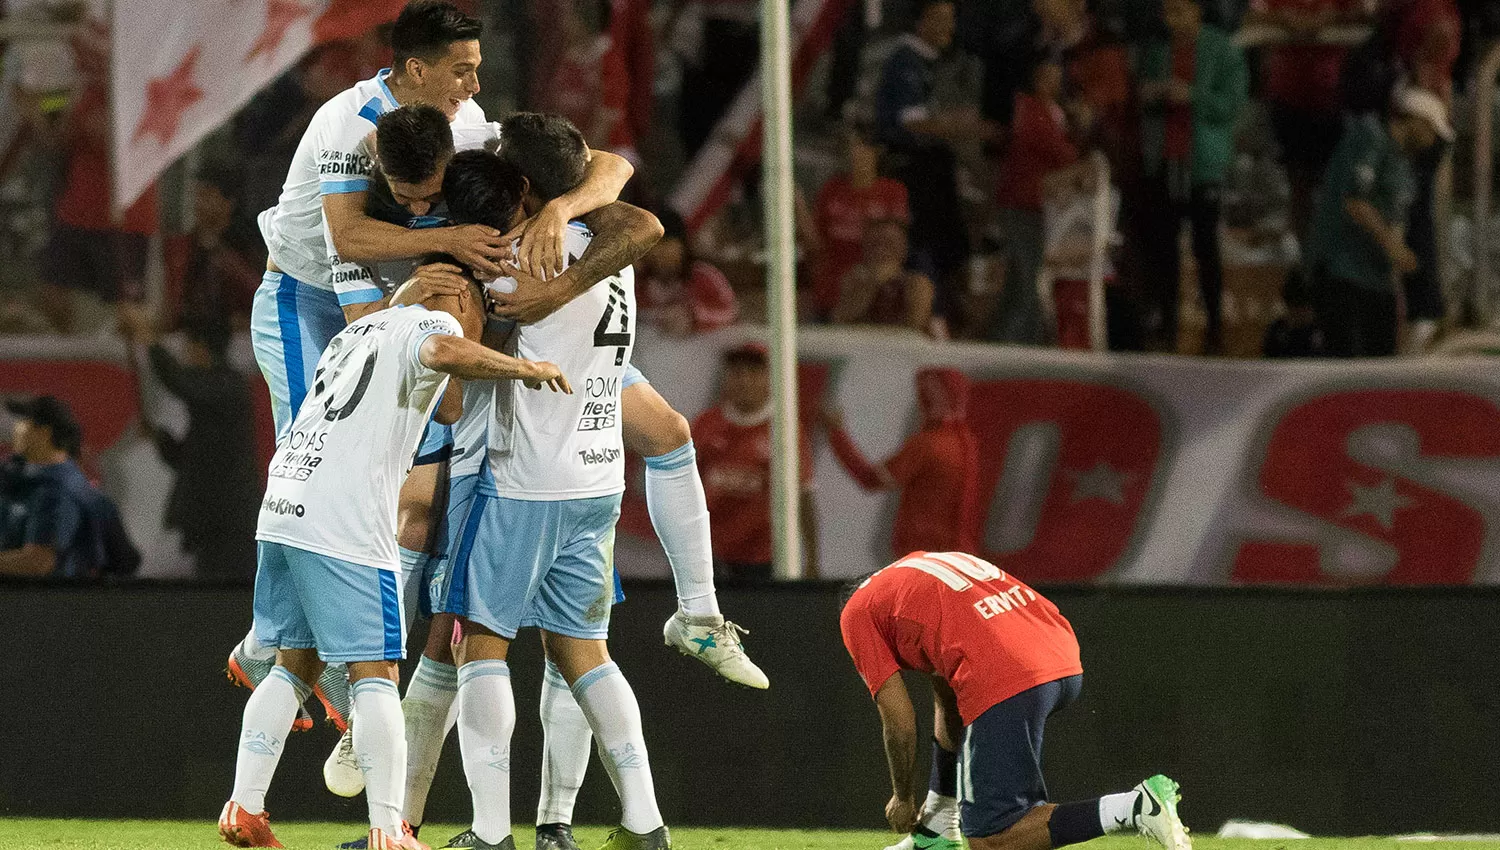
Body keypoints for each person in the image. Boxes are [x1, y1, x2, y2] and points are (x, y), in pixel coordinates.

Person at [234, 0, 635, 740]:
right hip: (312, 297)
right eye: (462, 69)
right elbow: (348, 236)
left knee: (403, 483)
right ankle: (268, 642)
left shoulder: (472, 120)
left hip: (397, 299)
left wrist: (558, 211)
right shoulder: (347, 122)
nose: (475, 82)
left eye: (477, 68)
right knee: (313, 473)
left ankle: (352, 660)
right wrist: (452, 241)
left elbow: (614, 166)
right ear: (415, 70)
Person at [218, 259, 568, 850]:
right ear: (447, 293)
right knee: (376, 674)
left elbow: (448, 405)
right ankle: (389, 830)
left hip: (285, 503)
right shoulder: (427, 329)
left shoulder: (358, 331)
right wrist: (521, 367)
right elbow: (439, 355)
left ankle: (244, 808)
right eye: (476, 304)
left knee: (294, 662)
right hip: (346, 520)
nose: (478, 318)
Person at [436, 138, 671, 850]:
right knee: (586, 654)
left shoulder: (517, 260)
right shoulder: (608, 245)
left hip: (524, 478)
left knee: (477, 647)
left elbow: (458, 364)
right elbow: (634, 211)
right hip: (600, 476)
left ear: (526, 184)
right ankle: (644, 820)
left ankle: (486, 833)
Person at [840, 551, 1192, 850]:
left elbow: (900, 725)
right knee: (999, 822)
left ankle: (1134, 806)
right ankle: (936, 832)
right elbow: (947, 703)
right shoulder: (915, 575)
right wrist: (939, 812)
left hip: (1005, 670)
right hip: (1059, 654)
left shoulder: (857, 613)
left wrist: (903, 798)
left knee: (993, 837)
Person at [1136, 0, 1247, 354]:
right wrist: (1151, 94)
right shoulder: (1157, 51)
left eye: (1180, 11)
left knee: (1205, 245)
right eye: (1168, 12)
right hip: (1165, 159)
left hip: (1202, 162)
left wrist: (1192, 95)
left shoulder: (1222, 51)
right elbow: (1140, 95)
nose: (1173, 20)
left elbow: (1231, 104)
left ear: (1196, 11)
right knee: (1163, 245)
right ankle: (1167, 317)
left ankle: (1214, 320)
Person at [118, 306, 259, 580]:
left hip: (228, 525)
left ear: (200, 347)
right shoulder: (217, 393)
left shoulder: (227, 386)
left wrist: (148, 338)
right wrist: (158, 437)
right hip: (207, 527)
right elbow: (189, 459)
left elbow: (180, 382)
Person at [1306, 87, 1450, 358]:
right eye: (1431, 131)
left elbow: (1396, 216)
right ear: (1417, 121)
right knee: (1347, 366)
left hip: (1377, 281)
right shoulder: (1369, 138)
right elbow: (1355, 202)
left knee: (1380, 367)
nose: (1432, 142)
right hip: (1343, 272)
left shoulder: (1403, 165)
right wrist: (1393, 247)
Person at [874, 0, 994, 320]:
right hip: (914, 170)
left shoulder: (932, 63)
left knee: (952, 245)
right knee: (924, 246)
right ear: (920, 22)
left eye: (951, 20)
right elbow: (912, 122)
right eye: (941, 19)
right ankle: (928, 315)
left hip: (933, 168)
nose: (950, 28)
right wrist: (971, 127)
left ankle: (944, 312)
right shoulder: (905, 63)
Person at [692, 343, 818, 581]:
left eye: (753, 373)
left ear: (769, 379)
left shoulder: (785, 430)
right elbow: (685, 490)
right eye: (737, 373)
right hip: (710, 555)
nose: (744, 381)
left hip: (765, 556)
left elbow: (804, 494)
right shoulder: (705, 424)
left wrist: (811, 558)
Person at [822, 369, 979, 558]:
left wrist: (837, 434)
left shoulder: (926, 445)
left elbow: (871, 479)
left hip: (924, 556)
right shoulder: (966, 444)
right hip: (957, 556)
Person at [1243, 0, 1363, 242]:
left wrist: (1327, 19)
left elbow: (1365, 15)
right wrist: (1286, 19)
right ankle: (1306, 261)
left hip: (1332, 98)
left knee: (1337, 184)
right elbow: (1251, 16)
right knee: (1299, 185)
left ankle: (1330, 261)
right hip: (1288, 96)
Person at [989, 58, 1080, 344]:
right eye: (1044, 76)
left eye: (1055, 77)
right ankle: (1018, 340)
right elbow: (1055, 149)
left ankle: (1006, 336)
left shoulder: (1053, 113)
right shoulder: (1029, 109)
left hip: (1035, 205)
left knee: (1020, 276)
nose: (1050, 83)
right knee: (1028, 277)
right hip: (1021, 203)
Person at [0, 396, 123, 578]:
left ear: (44, 432)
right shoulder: (22, 476)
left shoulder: (56, 491)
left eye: (23, 422)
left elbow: (38, 562)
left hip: (39, 600)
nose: (15, 429)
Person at [805, 126, 910, 322]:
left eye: (861, 147)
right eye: (851, 147)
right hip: (829, 291)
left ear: (875, 152)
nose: (855, 154)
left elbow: (895, 244)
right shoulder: (832, 189)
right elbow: (815, 244)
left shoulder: (892, 192)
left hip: (871, 294)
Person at [637, 209, 738, 336]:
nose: (659, 251)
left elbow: (730, 312)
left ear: (682, 245)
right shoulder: (636, 283)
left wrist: (693, 316)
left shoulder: (705, 276)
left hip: (699, 348)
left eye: (666, 243)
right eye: (652, 245)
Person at [831, 219, 936, 335]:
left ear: (903, 250)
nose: (881, 249)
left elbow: (916, 325)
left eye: (889, 243)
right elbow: (840, 322)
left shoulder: (916, 282)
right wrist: (872, 283)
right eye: (874, 243)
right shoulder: (853, 280)